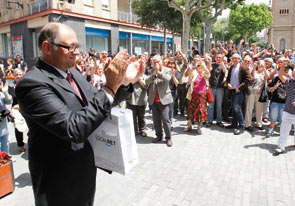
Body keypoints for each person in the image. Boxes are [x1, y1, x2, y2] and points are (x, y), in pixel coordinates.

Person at [15, 22, 145, 206]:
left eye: (77, 47)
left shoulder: (72, 73)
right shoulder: (32, 84)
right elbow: (73, 129)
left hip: (84, 173)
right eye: (70, 47)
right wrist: (109, 86)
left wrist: (122, 82)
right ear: (47, 47)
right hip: (58, 184)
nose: (77, 52)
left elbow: (99, 105)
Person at [146, 55, 173, 147]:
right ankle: (159, 136)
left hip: (164, 99)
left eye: (158, 62)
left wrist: (159, 73)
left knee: (166, 119)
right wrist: (154, 73)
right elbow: (147, 81)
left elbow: (167, 79)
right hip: (154, 99)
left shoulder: (167, 70)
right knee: (156, 120)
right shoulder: (150, 70)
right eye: (154, 62)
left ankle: (168, 138)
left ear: (161, 61)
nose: (156, 64)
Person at [225, 53, 251, 135]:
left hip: (239, 91)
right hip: (232, 90)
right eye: (233, 58)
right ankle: (234, 124)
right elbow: (228, 79)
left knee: (237, 108)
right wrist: (228, 83)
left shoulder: (243, 67)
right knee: (233, 108)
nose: (234, 60)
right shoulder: (231, 68)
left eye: (236, 58)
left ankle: (242, 126)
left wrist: (240, 88)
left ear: (239, 59)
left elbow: (248, 79)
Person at [184, 56, 210, 135]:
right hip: (193, 95)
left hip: (202, 96)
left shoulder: (204, 73)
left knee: (200, 112)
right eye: (198, 67)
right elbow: (188, 73)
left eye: (200, 67)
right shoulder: (194, 72)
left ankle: (199, 127)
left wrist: (203, 65)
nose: (199, 68)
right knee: (191, 110)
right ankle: (189, 125)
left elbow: (208, 73)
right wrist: (194, 67)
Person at [274, 63, 295, 154]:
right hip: (288, 110)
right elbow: (280, 75)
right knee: (284, 129)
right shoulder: (290, 82)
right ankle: (281, 146)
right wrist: (283, 65)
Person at [244, 60, 269, 131]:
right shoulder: (254, 71)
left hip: (260, 93)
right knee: (249, 108)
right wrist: (254, 67)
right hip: (251, 92)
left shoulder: (265, 73)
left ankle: (259, 123)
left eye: (262, 65)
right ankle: (248, 124)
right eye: (259, 65)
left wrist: (264, 68)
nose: (260, 66)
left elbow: (268, 77)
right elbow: (251, 77)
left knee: (259, 109)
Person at [207, 52, 227, 127]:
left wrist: (222, 62)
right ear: (214, 58)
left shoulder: (223, 66)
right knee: (211, 106)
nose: (218, 58)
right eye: (217, 57)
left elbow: (225, 71)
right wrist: (209, 61)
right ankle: (210, 120)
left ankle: (219, 121)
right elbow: (209, 69)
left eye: (220, 57)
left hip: (220, 88)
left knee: (219, 106)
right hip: (212, 87)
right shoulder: (212, 65)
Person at [9, 69, 26, 152]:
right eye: (17, 75)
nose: (18, 76)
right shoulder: (11, 85)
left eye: (20, 74)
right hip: (16, 109)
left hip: (25, 107)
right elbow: (13, 95)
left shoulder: (26, 84)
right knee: (18, 126)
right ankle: (20, 144)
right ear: (14, 76)